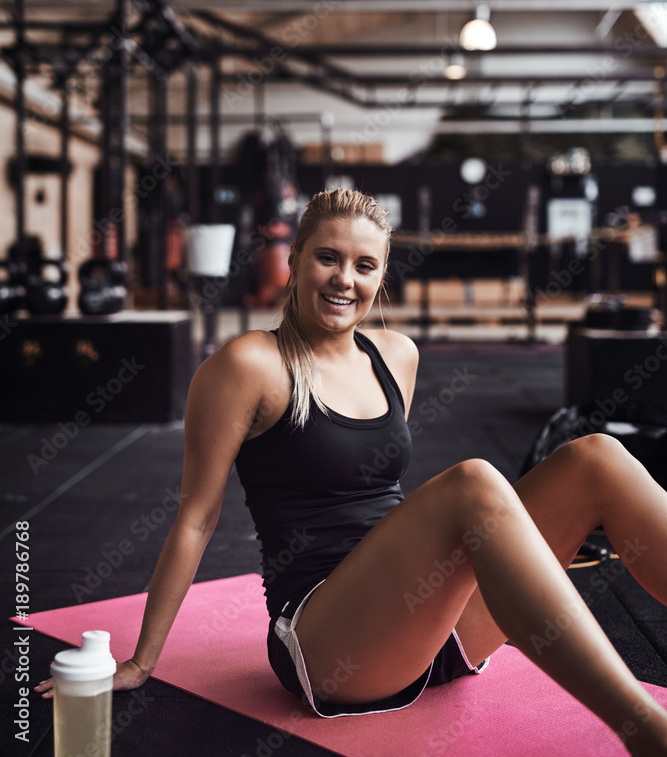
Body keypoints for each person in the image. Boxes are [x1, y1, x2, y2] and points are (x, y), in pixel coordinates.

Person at [37, 188, 667, 753]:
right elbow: (196, 520)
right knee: (473, 482)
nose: (345, 279)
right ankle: (645, 730)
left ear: (382, 276)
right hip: (325, 645)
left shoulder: (397, 355)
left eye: (365, 265)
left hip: (425, 635)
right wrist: (143, 662)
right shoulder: (248, 365)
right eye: (327, 258)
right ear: (293, 261)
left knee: (596, 457)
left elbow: (378, 491)